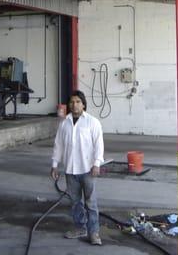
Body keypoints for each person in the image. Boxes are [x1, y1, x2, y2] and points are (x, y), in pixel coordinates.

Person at [50, 90, 104, 246]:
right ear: (69, 105)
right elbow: (58, 146)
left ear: (84, 104)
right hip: (70, 170)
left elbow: (98, 145)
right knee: (75, 202)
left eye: (78, 102)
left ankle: (94, 232)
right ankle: (81, 228)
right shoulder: (64, 123)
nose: (75, 105)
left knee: (91, 203)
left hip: (88, 170)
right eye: (72, 102)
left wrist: (97, 163)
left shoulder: (93, 122)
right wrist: (55, 165)